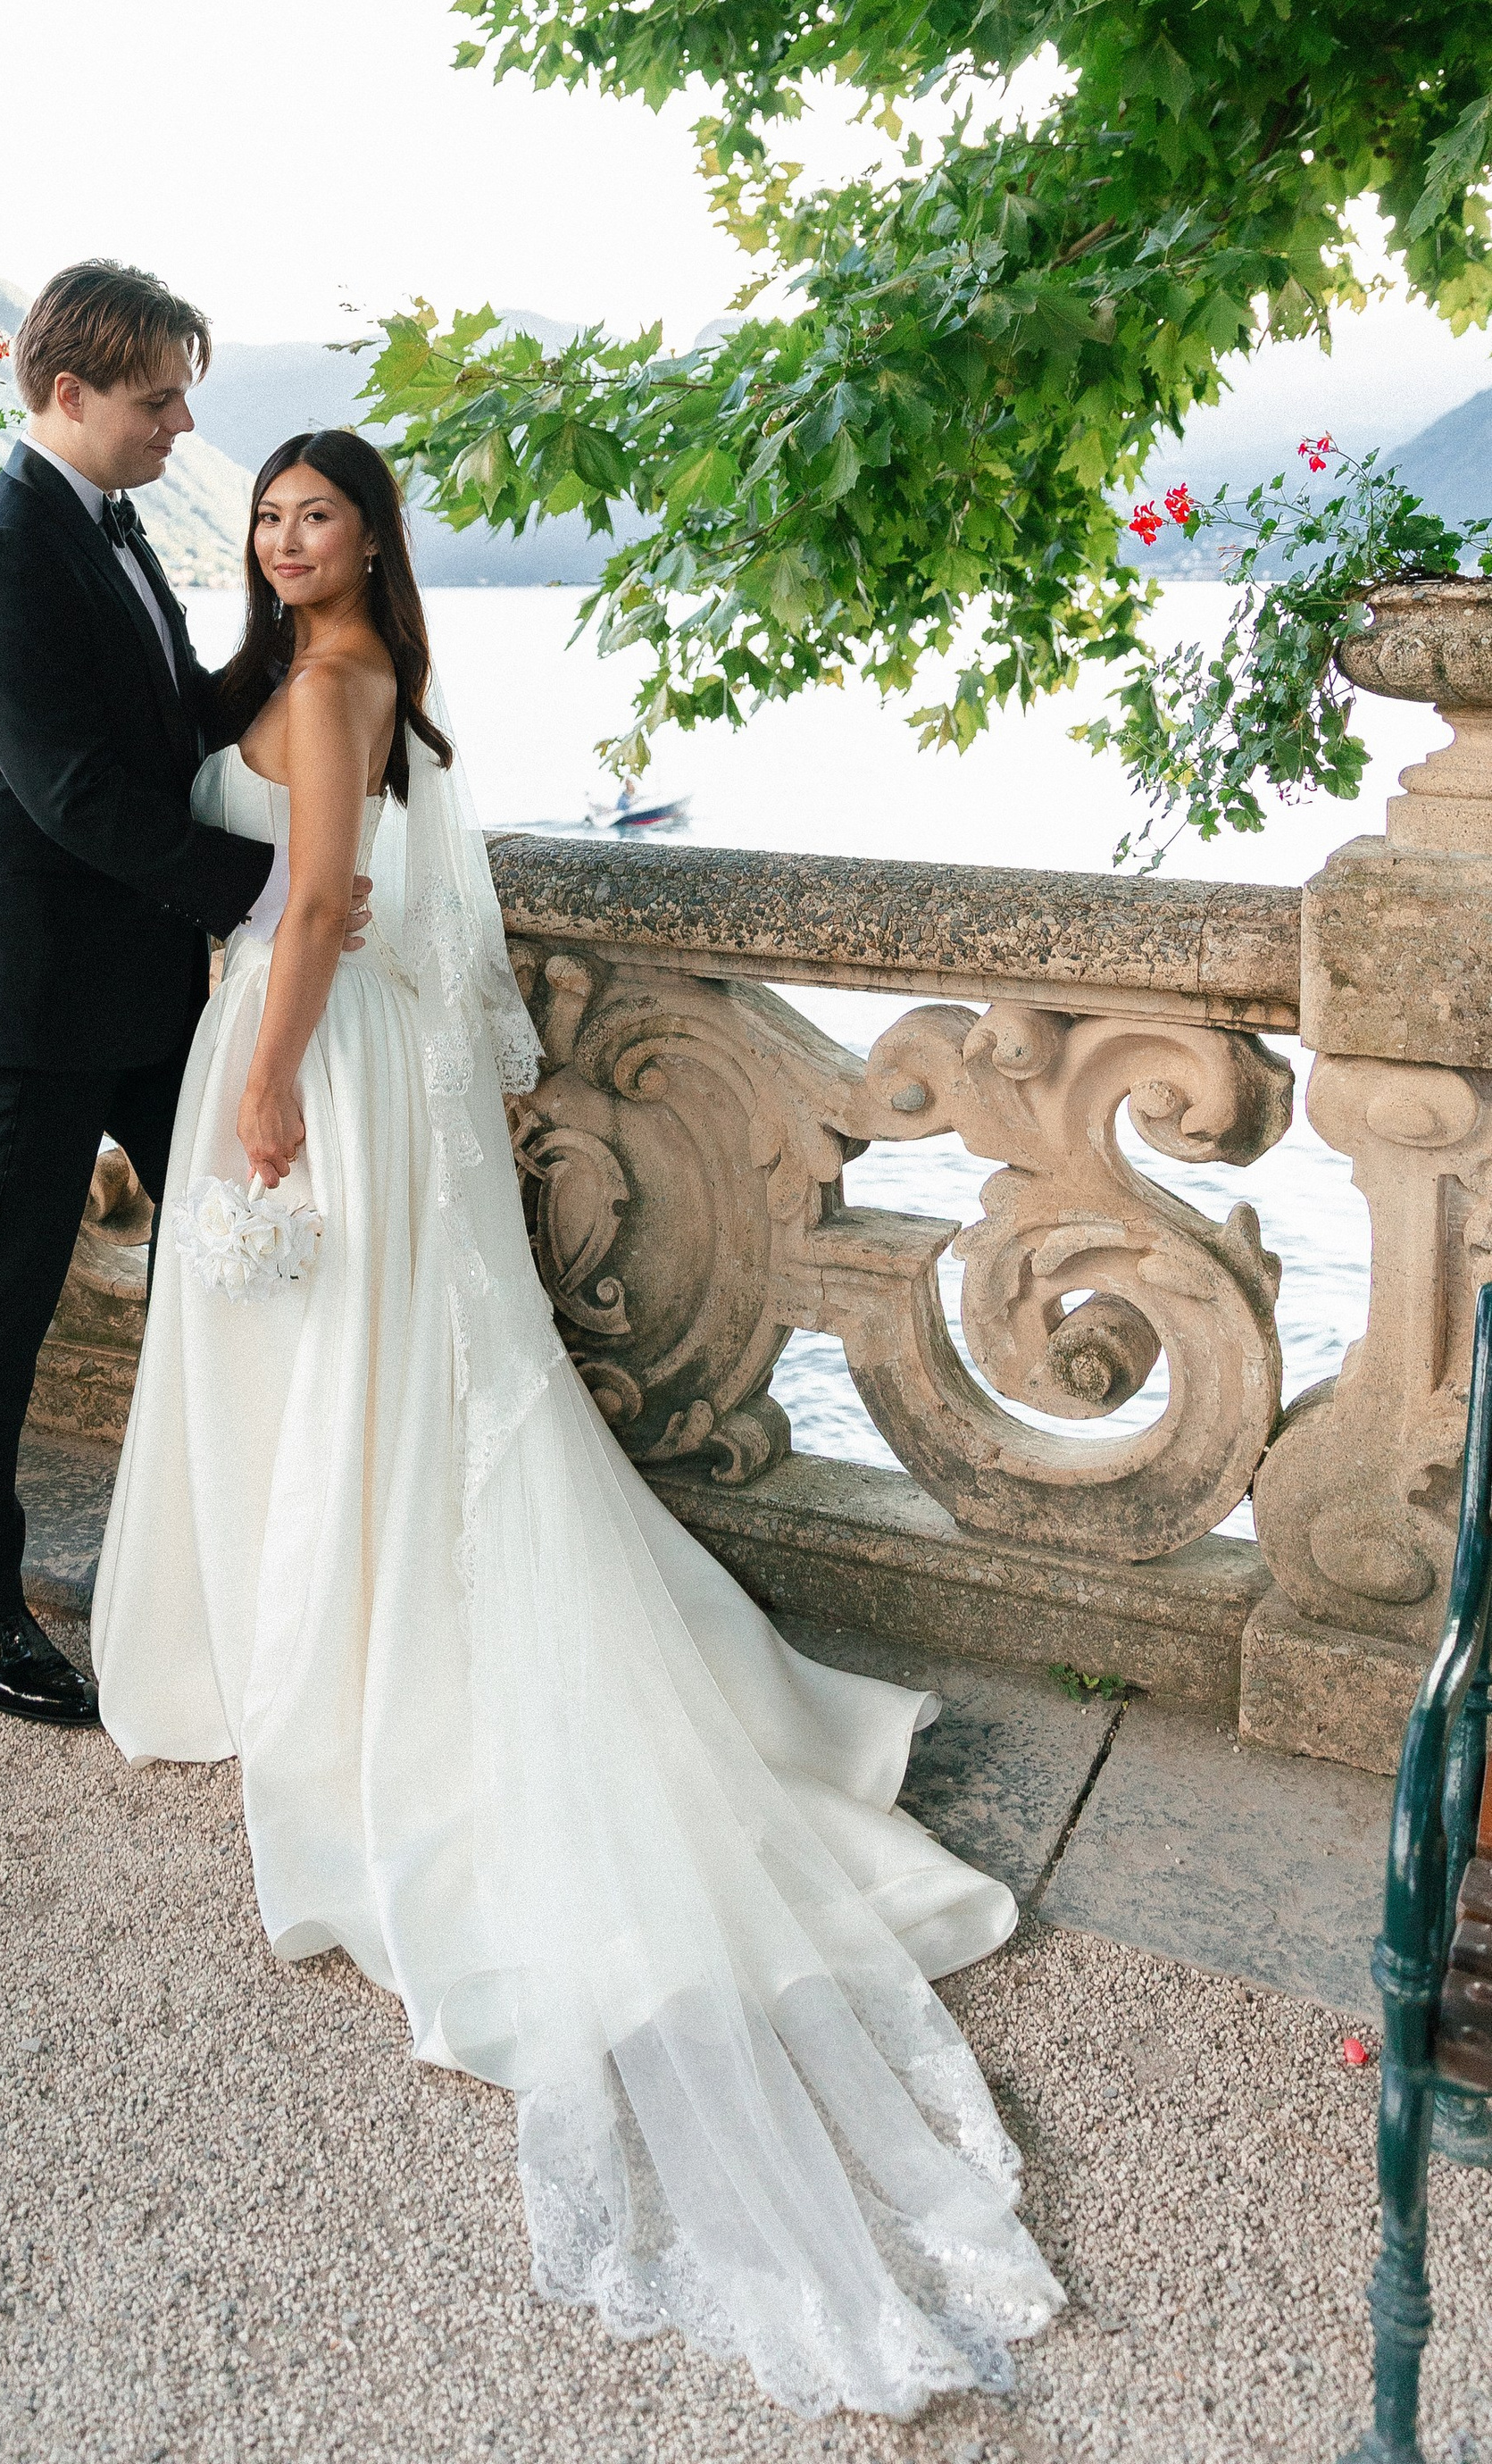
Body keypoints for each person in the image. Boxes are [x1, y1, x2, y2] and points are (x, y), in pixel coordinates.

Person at [92, 429, 1065, 2418]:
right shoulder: (312, 672)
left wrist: (267, 1092)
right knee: (352, 1376)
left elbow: (320, 908)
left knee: (363, 1368)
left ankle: (374, 1668)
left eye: (316, 513)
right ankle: (333, 1623)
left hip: (318, 1056)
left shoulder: (345, 682)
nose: (286, 539)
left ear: (371, 535)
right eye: (268, 515)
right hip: (320, 1049)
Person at [0, 262, 368, 1727]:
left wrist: (338, 666)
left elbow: (167, 726)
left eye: (182, 395)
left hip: (152, 993)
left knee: (253, 1247)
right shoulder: (2, 556)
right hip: (35, 998)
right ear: (70, 393)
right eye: (160, 397)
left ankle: (241, 1565)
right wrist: (271, 898)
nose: (181, 424)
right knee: (0, 1304)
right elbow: (74, 793)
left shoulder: (105, 529)